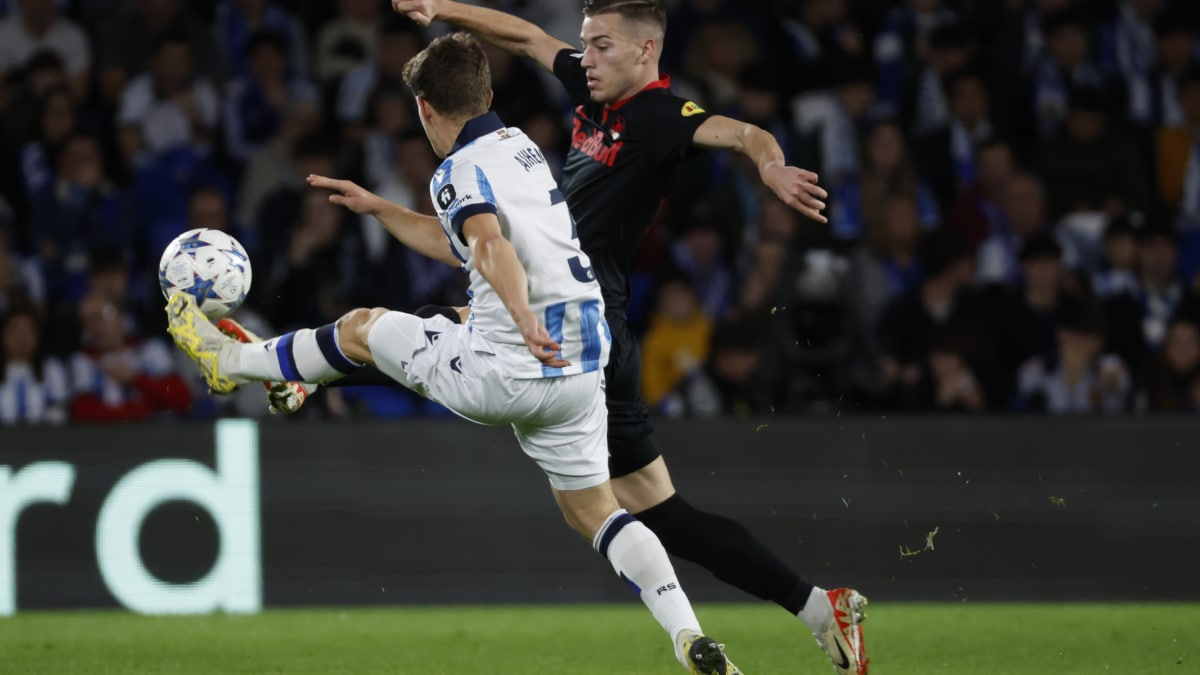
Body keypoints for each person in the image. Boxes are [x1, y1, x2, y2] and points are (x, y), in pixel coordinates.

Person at [270, 1, 865, 672]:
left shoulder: (660, 116)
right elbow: (522, 36)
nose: (587, 57)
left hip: (584, 323)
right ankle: (819, 607)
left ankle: (306, 369)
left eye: (602, 46)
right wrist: (441, 10)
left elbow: (741, 133)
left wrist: (771, 165)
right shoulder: (590, 87)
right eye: (586, 43)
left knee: (450, 337)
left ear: (645, 53)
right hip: (565, 303)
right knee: (660, 511)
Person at [166, 32, 740, 675]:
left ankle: (230, 363)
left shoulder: (456, 171)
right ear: (488, 96)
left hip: (509, 367)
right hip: (582, 368)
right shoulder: (519, 147)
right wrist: (380, 207)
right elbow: (467, 243)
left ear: (423, 110)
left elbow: (489, 245)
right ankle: (688, 635)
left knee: (361, 326)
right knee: (596, 511)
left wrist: (520, 316)